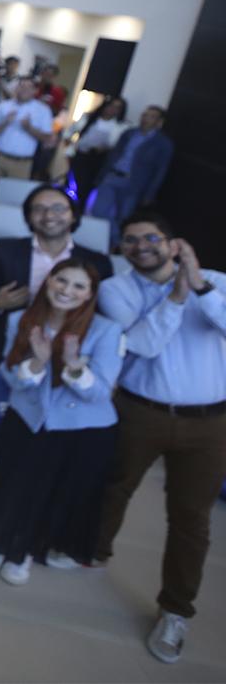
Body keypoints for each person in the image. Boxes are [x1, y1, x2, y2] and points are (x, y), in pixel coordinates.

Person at [95, 211, 226, 665]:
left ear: (174, 243)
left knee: (191, 519)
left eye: (152, 237)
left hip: (209, 423)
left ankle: (175, 611)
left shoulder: (215, 280)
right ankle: (91, 550)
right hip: (140, 411)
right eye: (130, 240)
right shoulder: (116, 289)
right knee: (114, 487)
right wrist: (178, 293)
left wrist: (200, 287)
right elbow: (144, 345)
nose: (141, 246)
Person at [0, 185, 114, 520]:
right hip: (12, 349)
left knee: (39, 431)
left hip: (66, 358)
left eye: (58, 208)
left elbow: (99, 315)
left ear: (73, 215)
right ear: (28, 217)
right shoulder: (3, 251)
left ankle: (14, 497)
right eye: (39, 208)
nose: (49, 214)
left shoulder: (97, 262)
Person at [0, 259, 121, 586]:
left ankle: (22, 552)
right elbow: (10, 376)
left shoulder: (106, 330)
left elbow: (101, 393)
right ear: (48, 281)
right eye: (61, 281)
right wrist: (37, 362)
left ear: (90, 294)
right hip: (26, 416)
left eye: (79, 286)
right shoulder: (21, 320)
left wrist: (74, 366)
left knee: (47, 490)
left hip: (77, 428)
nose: (67, 290)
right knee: (10, 480)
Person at [89, 105, 174, 245]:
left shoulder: (163, 144)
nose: (146, 119)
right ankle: (114, 241)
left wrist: (150, 194)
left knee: (124, 217)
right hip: (113, 175)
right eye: (144, 115)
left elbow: (160, 171)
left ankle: (115, 245)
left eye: (151, 116)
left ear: (159, 122)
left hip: (133, 183)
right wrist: (101, 176)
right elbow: (113, 155)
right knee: (98, 211)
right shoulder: (129, 133)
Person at [0, 77, 53, 180]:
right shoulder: (3, 106)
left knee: (13, 195)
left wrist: (29, 128)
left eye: (28, 87)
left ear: (35, 91)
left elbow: (47, 138)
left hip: (22, 163)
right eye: (21, 86)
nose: (24, 90)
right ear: (16, 88)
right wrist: (5, 122)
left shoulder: (43, 110)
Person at [68, 95, 128, 201]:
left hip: (98, 160)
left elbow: (116, 146)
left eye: (117, 108)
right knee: (72, 183)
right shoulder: (89, 118)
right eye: (111, 106)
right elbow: (70, 132)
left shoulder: (119, 127)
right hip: (81, 155)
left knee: (85, 187)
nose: (112, 109)